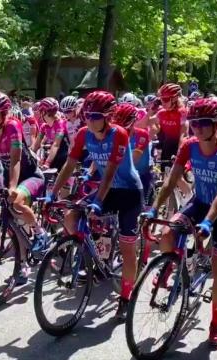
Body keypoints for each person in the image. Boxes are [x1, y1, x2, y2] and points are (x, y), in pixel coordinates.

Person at [144, 98, 217, 348]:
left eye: (203, 123)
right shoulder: (189, 145)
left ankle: (216, 323)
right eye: (193, 123)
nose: (197, 128)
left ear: (216, 123)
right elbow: (170, 180)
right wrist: (153, 208)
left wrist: (209, 222)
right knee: (167, 232)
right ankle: (170, 266)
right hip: (198, 202)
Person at [47, 91, 143, 320]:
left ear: (108, 116)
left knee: (127, 247)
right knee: (72, 215)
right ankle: (90, 256)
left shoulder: (118, 134)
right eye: (87, 115)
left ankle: (126, 298)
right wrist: (51, 195)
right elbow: (69, 165)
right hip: (107, 190)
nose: (89, 120)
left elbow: (110, 172)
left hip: (129, 192)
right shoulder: (83, 133)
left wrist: (98, 202)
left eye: (95, 116)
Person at [0, 91, 44, 284]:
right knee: (14, 224)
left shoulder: (12, 125)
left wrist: (12, 187)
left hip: (30, 175)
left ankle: (40, 233)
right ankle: (23, 266)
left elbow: (15, 159)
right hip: (11, 176)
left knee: (15, 203)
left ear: (3, 112)